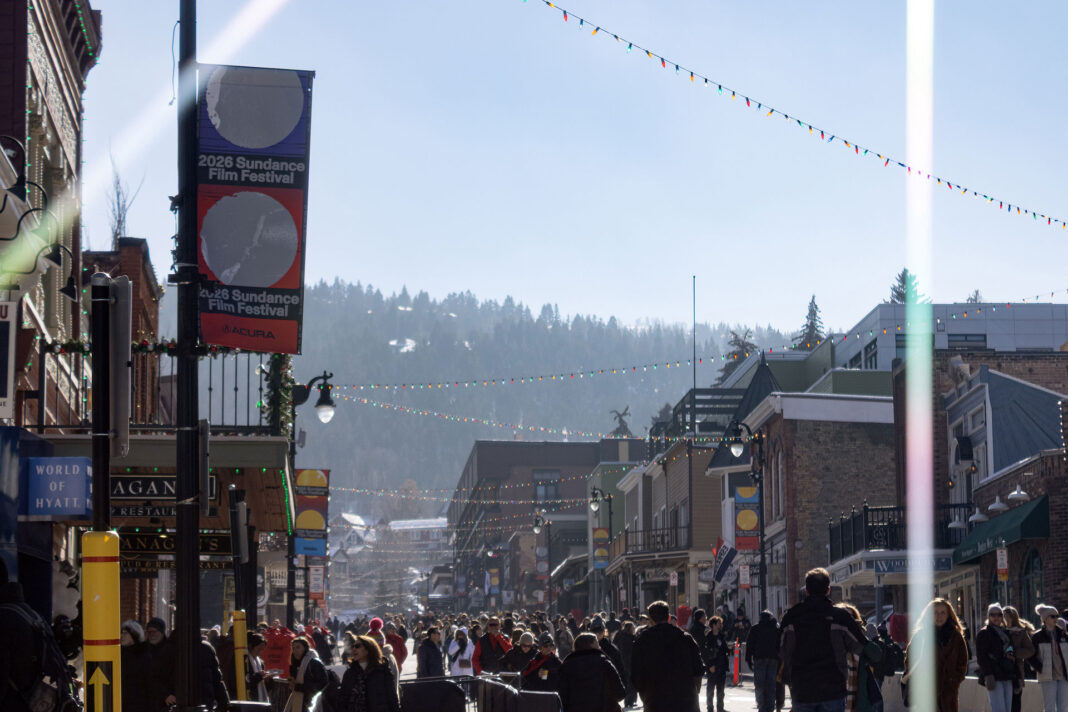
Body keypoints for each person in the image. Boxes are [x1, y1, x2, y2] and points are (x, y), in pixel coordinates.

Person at [779, 567, 866, 712]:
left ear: (806, 590)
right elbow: (861, 646)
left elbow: (781, 650)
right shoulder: (840, 617)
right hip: (833, 689)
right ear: (828, 590)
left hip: (802, 689)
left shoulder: (791, 618)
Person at [630, 600, 705, 712]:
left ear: (650, 620)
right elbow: (699, 668)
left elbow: (636, 675)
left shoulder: (642, 641)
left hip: (655, 701)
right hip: (685, 701)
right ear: (669, 617)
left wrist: (645, 693)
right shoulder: (685, 638)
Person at [557, 632, 626, 712]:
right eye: (597, 643)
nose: (600, 646)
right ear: (591, 645)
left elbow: (562, 696)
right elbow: (620, 693)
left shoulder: (566, 666)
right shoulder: (604, 663)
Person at [338, 633, 401, 712]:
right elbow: (343, 700)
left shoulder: (382, 670)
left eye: (357, 646)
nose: (354, 649)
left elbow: (392, 697)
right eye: (352, 646)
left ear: (368, 649)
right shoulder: (350, 673)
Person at [976, 603, 1018, 712]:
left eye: (999, 615)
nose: (996, 617)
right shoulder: (984, 633)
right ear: (988, 616)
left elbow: (1010, 648)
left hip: (1007, 673)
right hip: (994, 675)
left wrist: (1011, 655)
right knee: (998, 708)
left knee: (1008, 708)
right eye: (992, 615)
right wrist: (988, 674)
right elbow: (981, 656)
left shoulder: (1005, 632)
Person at [1031, 603, 1068, 712]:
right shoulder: (1037, 636)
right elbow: (1031, 656)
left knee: (1063, 707)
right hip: (1047, 675)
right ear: (1045, 619)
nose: (1056, 618)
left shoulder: (1063, 634)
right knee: (1049, 707)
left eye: (1057, 616)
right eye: (1053, 616)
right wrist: (1040, 668)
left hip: (1063, 675)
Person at [746, 610, 781, 712]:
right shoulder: (775, 629)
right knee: (771, 685)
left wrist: (748, 659)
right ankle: (770, 707)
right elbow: (779, 644)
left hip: (759, 659)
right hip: (773, 659)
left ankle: (761, 707)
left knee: (759, 685)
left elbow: (749, 645)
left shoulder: (755, 629)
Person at [1004, 606, 1036, 712]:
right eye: (1004, 616)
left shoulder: (1020, 632)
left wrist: (1015, 653)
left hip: (1016, 672)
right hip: (1001, 671)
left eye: (1008, 617)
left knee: (1015, 703)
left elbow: (1030, 650)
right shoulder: (998, 632)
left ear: (1014, 618)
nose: (1006, 619)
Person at [285, 635, 328, 712]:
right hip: (300, 704)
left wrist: (301, 687)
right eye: (293, 648)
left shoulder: (314, 663)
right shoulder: (295, 665)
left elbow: (323, 683)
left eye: (298, 647)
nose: (295, 651)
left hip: (313, 705)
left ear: (305, 648)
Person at [144, 616, 177, 711]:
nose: (151, 635)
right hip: (148, 701)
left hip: (166, 702)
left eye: (154, 632)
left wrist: (167, 694)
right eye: (149, 632)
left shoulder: (170, 651)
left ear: (162, 632)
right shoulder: (143, 651)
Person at [120, 620, 151, 712]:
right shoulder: (117, 655)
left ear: (135, 635)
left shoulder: (144, 655)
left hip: (139, 704)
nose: (122, 636)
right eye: (121, 633)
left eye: (125, 633)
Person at [704, 615, 730, 712]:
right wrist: (709, 665)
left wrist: (729, 648)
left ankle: (720, 707)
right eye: (719, 623)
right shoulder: (708, 637)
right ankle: (710, 708)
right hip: (712, 667)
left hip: (721, 665)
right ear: (714, 625)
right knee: (710, 689)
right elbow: (705, 653)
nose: (721, 625)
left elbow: (724, 650)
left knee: (721, 690)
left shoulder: (721, 636)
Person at [615, 620, 638, 708]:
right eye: (633, 628)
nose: (634, 629)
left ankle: (631, 700)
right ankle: (629, 700)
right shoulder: (627, 638)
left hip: (627, 662)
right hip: (628, 663)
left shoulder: (628, 637)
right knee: (631, 682)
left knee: (630, 682)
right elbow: (627, 652)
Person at [246, 632, 270, 702]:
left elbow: (265, 687)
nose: (260, 652)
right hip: (250, 698)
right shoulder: (245, 661)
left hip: (259, 698)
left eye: (262, 649)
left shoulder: (261, 663)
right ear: (251, 646)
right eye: (259, 648)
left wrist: (268, 681)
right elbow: (246, 682)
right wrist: (259, 676)